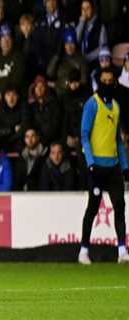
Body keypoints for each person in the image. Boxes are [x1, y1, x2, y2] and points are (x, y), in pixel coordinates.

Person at [79, 67, 129, 264]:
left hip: (113, 166)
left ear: (114, 83)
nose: (107, 84)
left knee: (120, 206)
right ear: (99, 82)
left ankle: (122, 251)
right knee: (92, 208)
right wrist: (91, 164)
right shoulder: (92, 104)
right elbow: (84, 135)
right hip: (97, 167)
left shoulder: (116, 107)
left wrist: (124, 165)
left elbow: (117, 140)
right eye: (104, 80)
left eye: (110, 80)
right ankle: (83, 250)